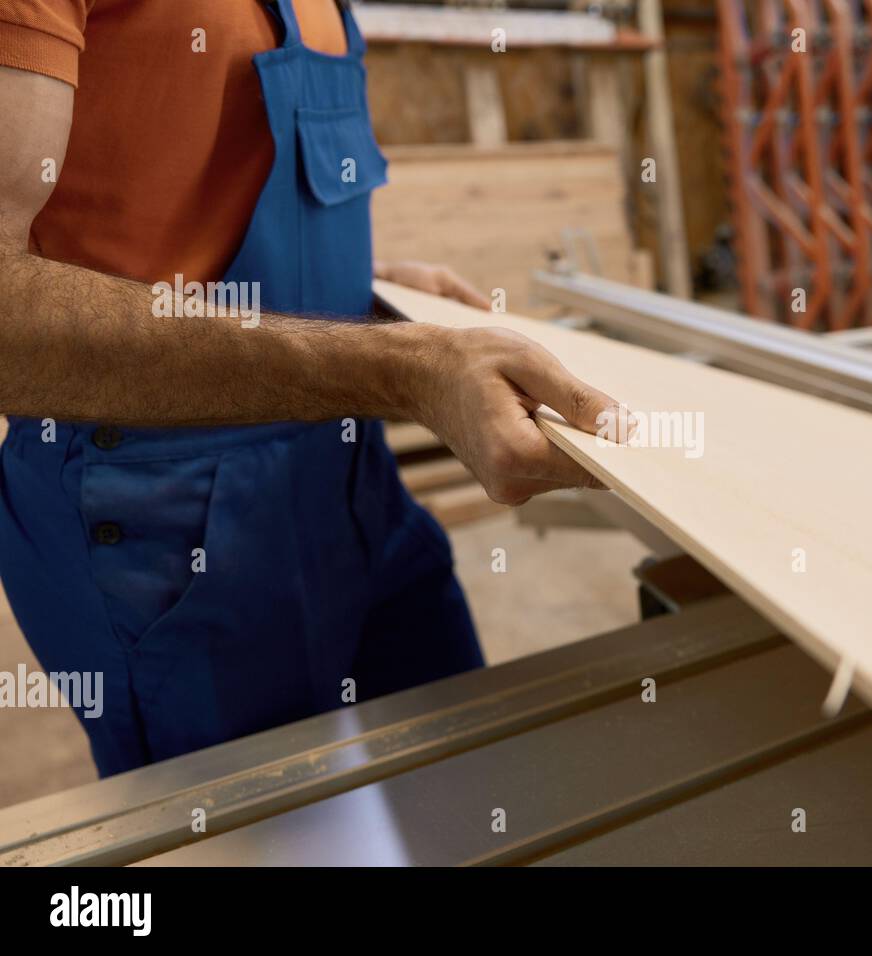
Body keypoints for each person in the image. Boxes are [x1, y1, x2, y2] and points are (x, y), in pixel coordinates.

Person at [0, 0, 620, 775]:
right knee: (261, 838)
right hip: (164, 518)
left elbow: (189, 202)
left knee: (461, 788)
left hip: (347, 469)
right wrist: (399, 368)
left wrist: (361, 289)